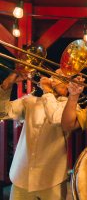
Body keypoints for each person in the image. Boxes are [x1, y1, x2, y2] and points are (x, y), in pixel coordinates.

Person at [0, 69, 69, 200]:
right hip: (21, 175)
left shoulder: (71, 107)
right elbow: (2, 112)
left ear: (68, 85)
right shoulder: (31, 101)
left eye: (62, 77)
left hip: (52, 179)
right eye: (55, 76)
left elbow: (55, 118)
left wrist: (47, 91)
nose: (54, 79)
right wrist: (8, 82)